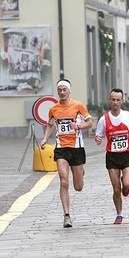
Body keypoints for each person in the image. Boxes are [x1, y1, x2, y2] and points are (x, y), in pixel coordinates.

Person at [40, 79, 93, 228]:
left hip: (76, 148)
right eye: (60, 90)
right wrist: (45, 138)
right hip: (61, 148)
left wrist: (79, 126)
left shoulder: (78, 106)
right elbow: (50, 125)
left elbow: (90, 122)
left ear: (69, 91)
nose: (62, 93)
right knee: (64, 181)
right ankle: (66, 216)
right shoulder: (54, 109)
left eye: (65, 90)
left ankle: (80, 171)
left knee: (78, 187)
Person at [95, 88, 129, 224]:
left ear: (122, 101)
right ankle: (119, 214)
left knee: (127, 184)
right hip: (112, 157)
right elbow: (99, 135)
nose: (115, 102)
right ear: (109, 100)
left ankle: (125, 186)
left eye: (118, 100)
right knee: (116, 189)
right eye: (113, 100)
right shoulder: (103, 119)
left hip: (126, 155)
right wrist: (98, 139)